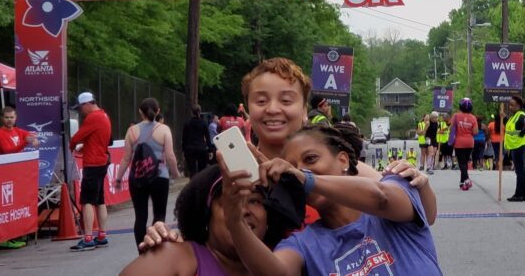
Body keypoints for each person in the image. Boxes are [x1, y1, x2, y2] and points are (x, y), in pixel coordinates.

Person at [138, 58, 437, 251]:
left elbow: (424, 217)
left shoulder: (345, 168)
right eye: (261, 100)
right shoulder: (227, 176)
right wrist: (165, 237)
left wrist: (419, 182)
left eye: (286, 99)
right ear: (248, 109)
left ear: (305, 110)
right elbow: (200, 239)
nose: (272, 109)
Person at [220, 125, 442, 276]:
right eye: (292, 168)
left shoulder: (400, 183)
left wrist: (307, 179)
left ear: (343, 159)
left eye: (311, 159)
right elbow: (276, 272)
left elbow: (380, 197)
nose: (299, 170)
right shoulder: (303, 243)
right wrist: (235, 222)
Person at [121, 165, 273, 275]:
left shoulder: (284, 260)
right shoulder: (177, 258)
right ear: (206, 215)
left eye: (254, 201)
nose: (242, 210)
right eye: (228, 202)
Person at [115, 97, 181, 247]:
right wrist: (175, 172)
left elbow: (126, 158)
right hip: (160, 176)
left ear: (140, 112)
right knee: (159, 215)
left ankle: (142, 249)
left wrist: (118, 178)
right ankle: (158, 248)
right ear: (158, 111)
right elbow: (170, 156)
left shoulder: (131, 131)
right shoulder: (164, 130)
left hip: (137, 177)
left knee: (140, 216)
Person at [69, 92, 112, 251]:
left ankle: (88, 238)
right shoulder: (105, 115)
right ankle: (101, 235)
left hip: (92, 163)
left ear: (87, 104)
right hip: (101, 161)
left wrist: (71, 147)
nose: (80, 112)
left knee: (87, 200)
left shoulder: (93, 118)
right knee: (100, 200)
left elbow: (76, 137)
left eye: (80, 108)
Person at [0, 105, 39, 249]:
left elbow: (31, 135)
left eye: (12, 117)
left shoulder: (18, 131)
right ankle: (5, 238)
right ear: (2, 118)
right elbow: (8, 151)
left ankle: (17, 234)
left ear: (16, 118)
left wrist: (33, 139)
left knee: (16, 205)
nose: (9, 120)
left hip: (15, 173)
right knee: (7, 206)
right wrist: (26, 142)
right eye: (6, 117)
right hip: (2, 174)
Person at [504, 96, 525, 202]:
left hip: (519, 145)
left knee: (519, 171)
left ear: (518, 106)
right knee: (521, 171)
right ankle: (524, 194)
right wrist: (504, 118)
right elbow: (511, 128)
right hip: (515, 145)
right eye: (509, 105)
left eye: (512, 105)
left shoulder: (520, 114)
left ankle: (519, 194)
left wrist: (521, 133)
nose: (510, 107)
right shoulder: (513, 116)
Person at [451, 98, 479, 190]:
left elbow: (452, 129)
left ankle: (467, 180)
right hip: (470, 142)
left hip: (459, 142)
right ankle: (462, 182)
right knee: (465, 163)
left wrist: (450, 140)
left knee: (461, 163)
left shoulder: (456, 116)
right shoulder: (473, 118)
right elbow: (475, 132)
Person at [182, 104, 211, 176]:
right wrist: (210, 149)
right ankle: (201, 185)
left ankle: (193, 184)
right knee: (202, 171)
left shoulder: (187, 123)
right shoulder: (203, 123)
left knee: (192, 170)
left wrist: (183, 150)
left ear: (192, 112)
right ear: (200, 112)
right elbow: (207, 137)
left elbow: (184, 138)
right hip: (201, 147)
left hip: (190, 148)